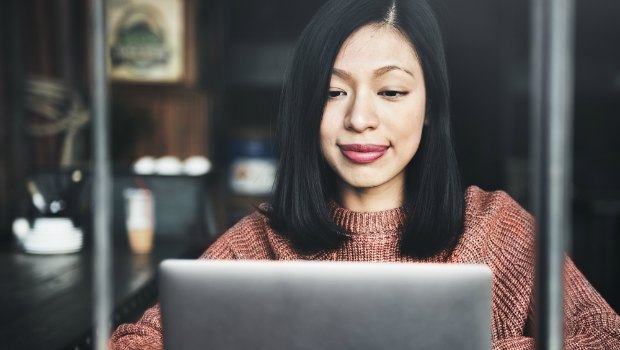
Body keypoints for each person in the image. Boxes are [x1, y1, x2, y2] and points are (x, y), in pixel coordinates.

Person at [110, 0, 620, 349]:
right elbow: (139, 338)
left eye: (391, 91)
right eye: (334, 92)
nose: (359, 118)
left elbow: (601, 334)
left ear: (429, 108)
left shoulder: (498, 227)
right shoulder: (258, 243)